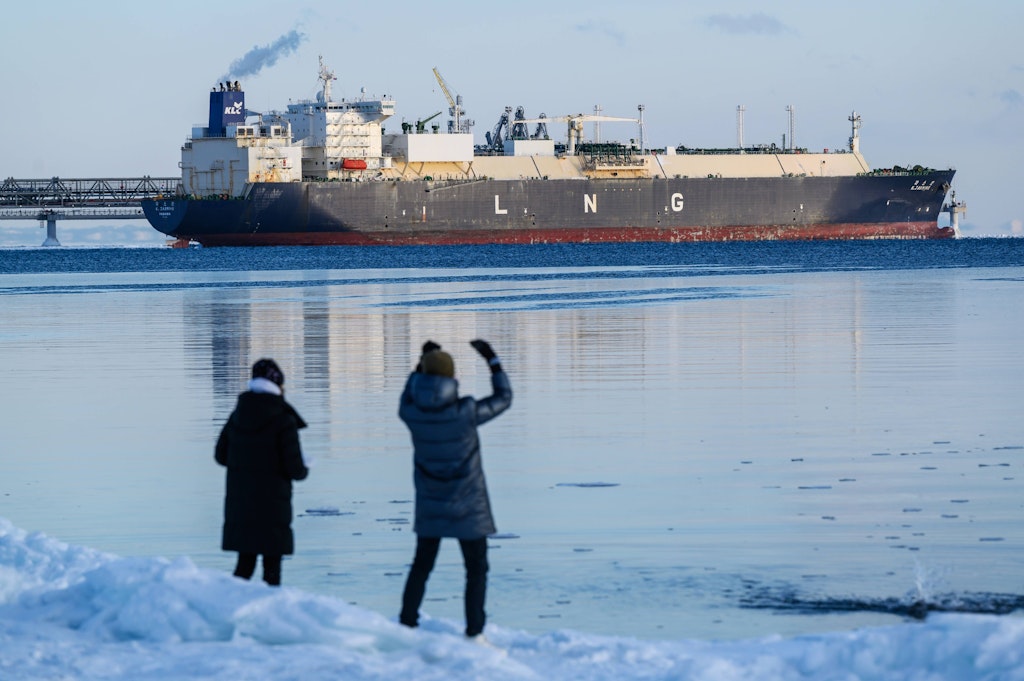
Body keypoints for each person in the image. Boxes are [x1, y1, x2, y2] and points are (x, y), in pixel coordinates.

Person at [398, 339, 512, 640]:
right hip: (468, 505)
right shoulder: (467, 412)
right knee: (475, 570)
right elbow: (504, 397)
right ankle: (474, 631)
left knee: (422, 565)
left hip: (431, 503)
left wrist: (421, 363)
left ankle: (406, 622)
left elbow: (407, 397)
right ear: (453, 379)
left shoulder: (412, 413)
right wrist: (493, 360)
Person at [215, 358, 309, 586]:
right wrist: (304, 468)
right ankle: (270, 616)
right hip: (272, 506)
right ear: (278, 385)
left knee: (244, 566)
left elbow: (221, 456)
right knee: (272, 569)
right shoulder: (283, 419)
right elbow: (295, 469)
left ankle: (230, 607)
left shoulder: (238, 415)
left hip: (242, 506)